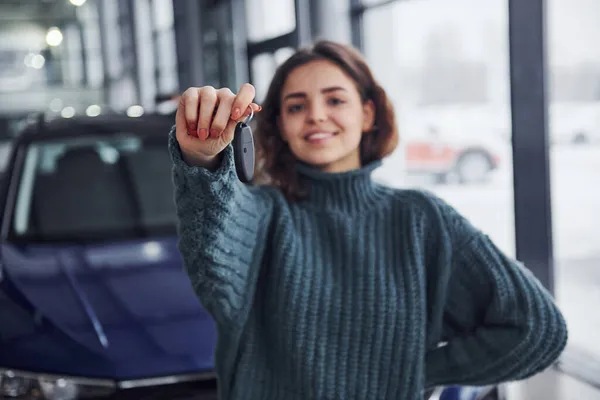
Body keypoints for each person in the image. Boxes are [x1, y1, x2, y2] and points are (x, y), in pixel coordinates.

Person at [168, 40, 568, 400]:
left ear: (368, 112)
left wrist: (416, 372)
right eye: (296, 106)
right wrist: (204, 159)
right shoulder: (264, 214)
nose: (316, 116)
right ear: (280, 126)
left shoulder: (420, 220)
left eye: (335, 100)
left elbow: (538, 328)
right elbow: (214, 246)